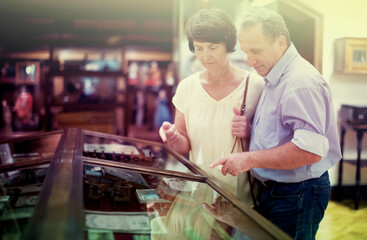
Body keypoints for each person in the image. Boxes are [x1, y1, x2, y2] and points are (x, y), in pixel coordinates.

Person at [210, 8, 342, 240]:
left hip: (298, 193)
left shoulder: (300, 81)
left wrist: (248, 159)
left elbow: (309, 150)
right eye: (246, 51)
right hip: (279, 191)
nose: (250, 61)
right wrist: (251, 131)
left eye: (256, 51)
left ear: (280, 42)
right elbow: (285, 133)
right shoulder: (275, 74)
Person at [159, 8, 264, 199]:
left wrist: (249, 132)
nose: (205, 56)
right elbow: (183, 146)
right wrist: (174, 137)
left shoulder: (256, 86)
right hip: (200, 192)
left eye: (213, 47)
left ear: (228, 44)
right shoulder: (186, 88)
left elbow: (272, 142)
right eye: (199, 48)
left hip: (242, 197)